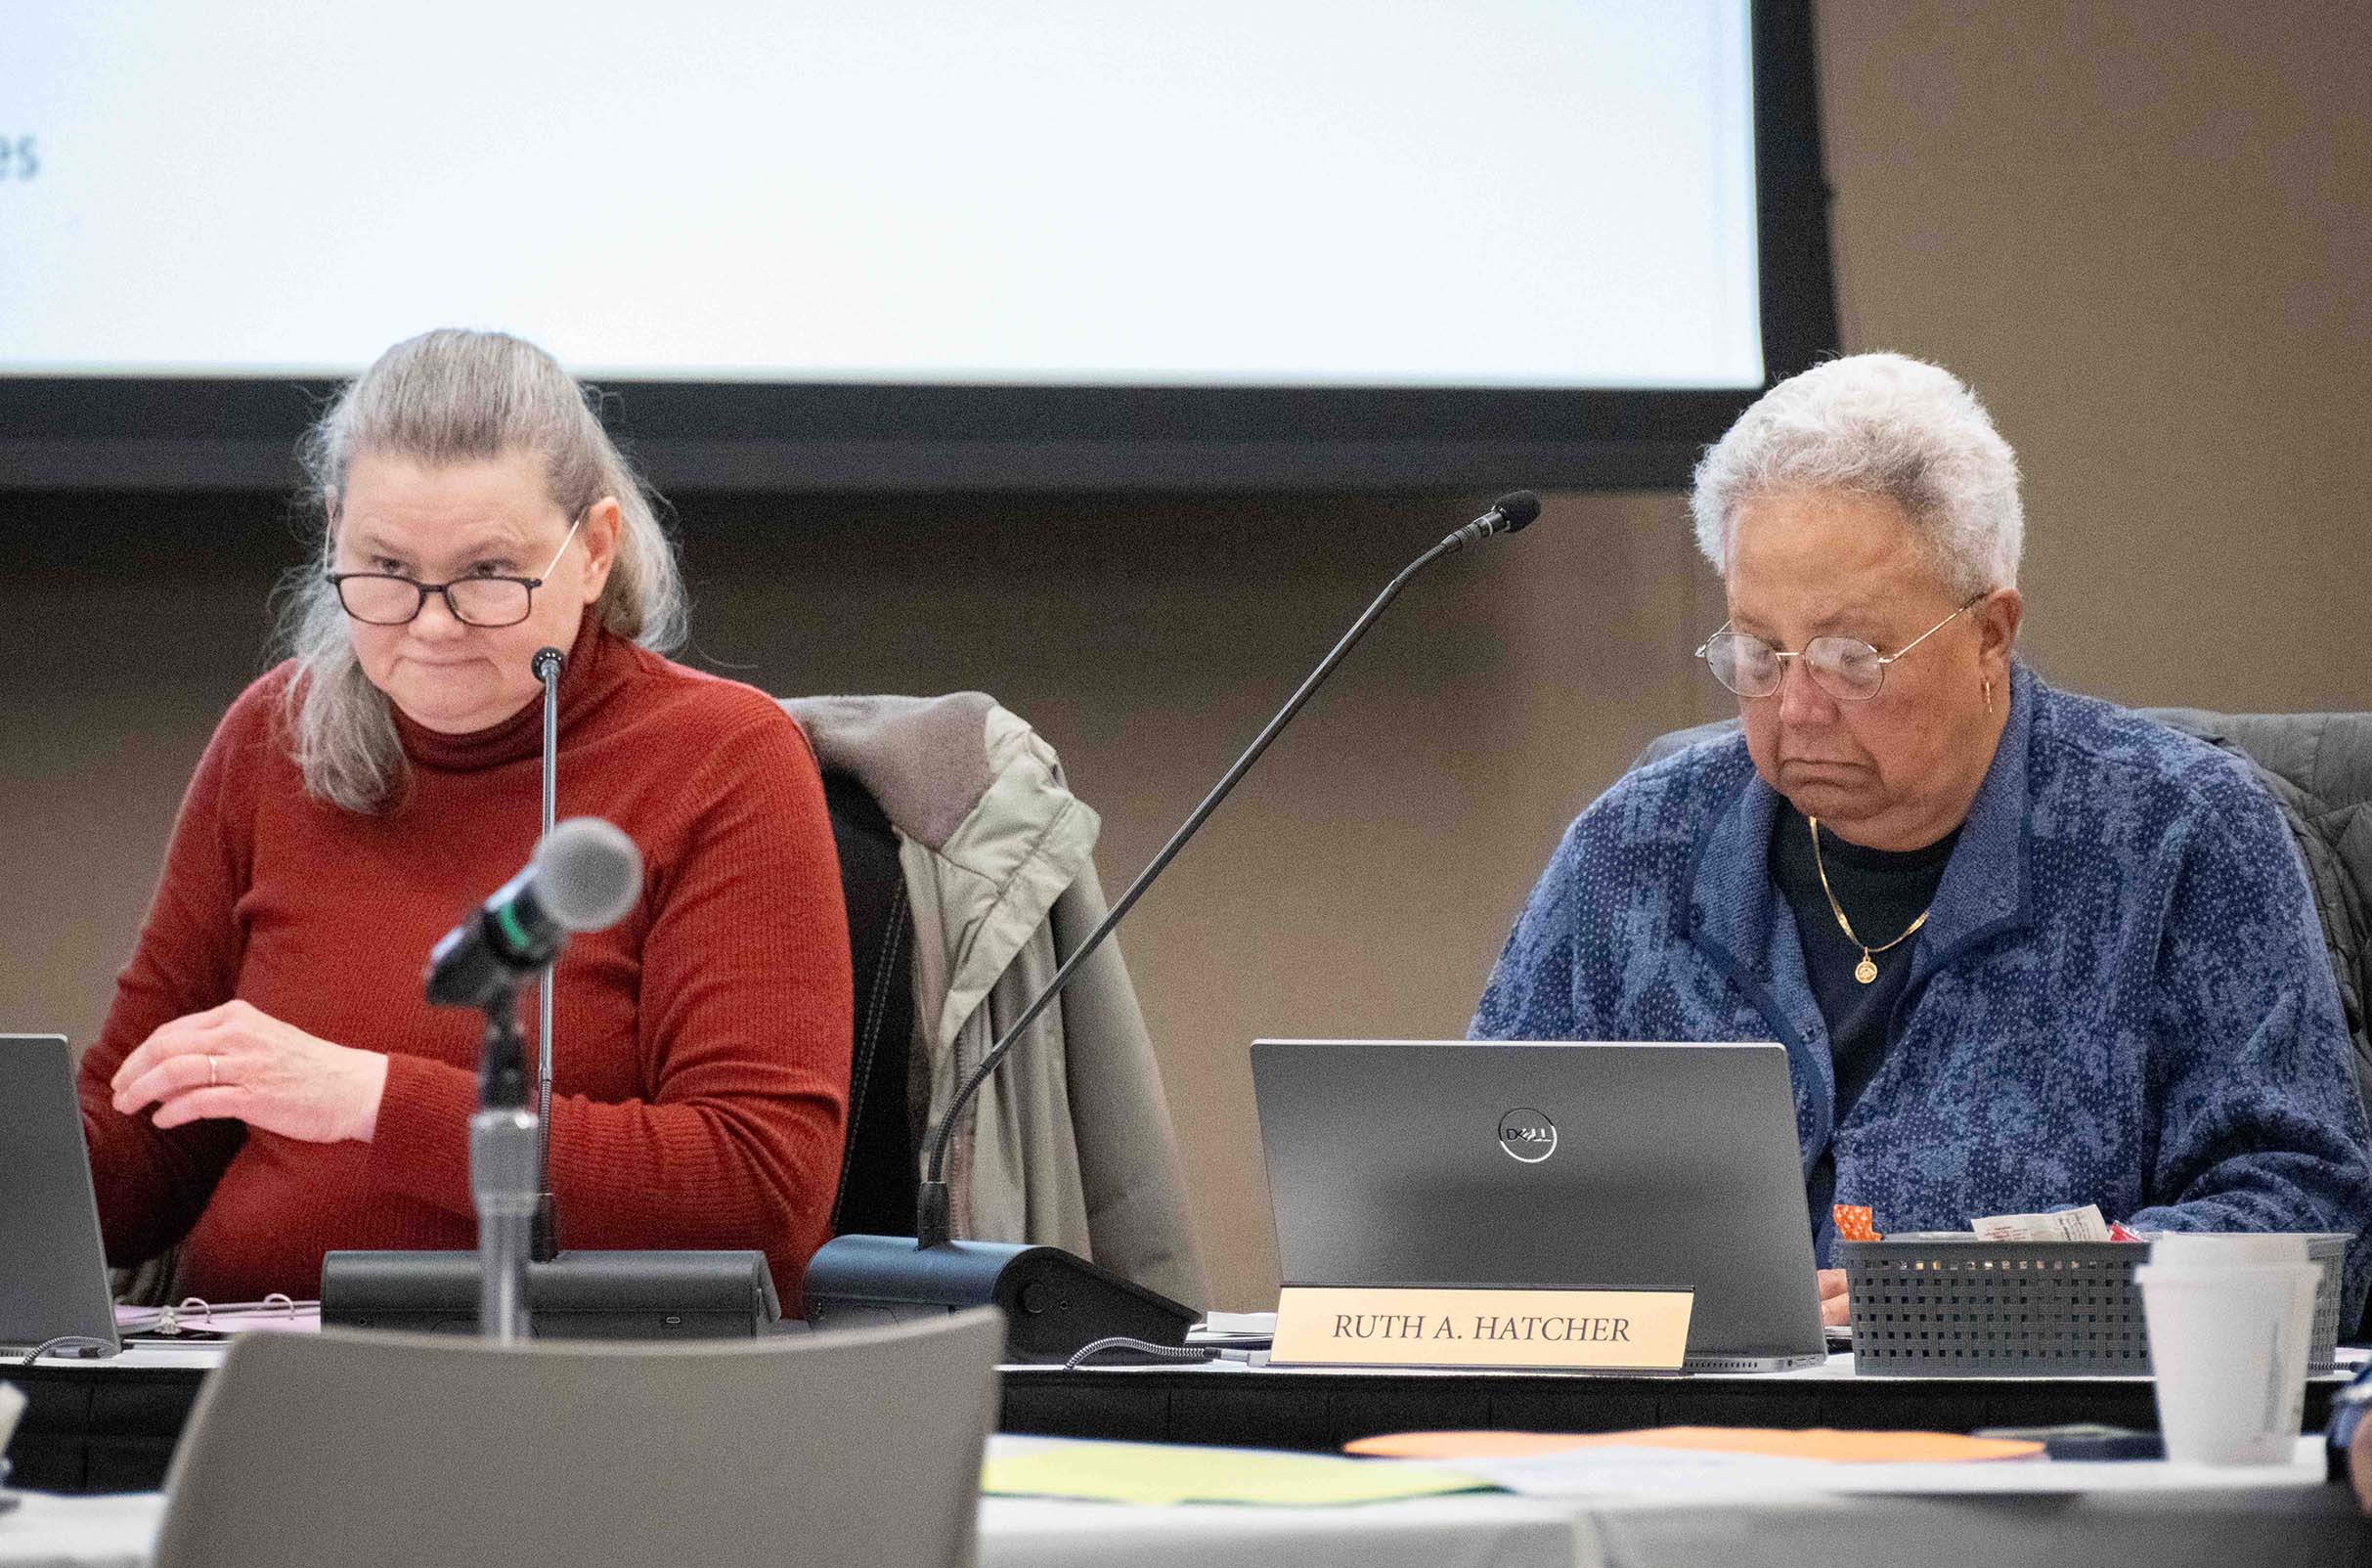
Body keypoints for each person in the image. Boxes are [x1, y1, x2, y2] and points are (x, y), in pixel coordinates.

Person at [1472, 352, 2372, 1326]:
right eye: (1756, 653)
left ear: (1990, 632)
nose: (1797, 706)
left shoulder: (2178, 836)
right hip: (1666, 1450)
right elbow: (1478, 1181)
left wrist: (1959, 1300)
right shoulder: (1632, 847)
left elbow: (2309, 1221)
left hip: (2039, 1452)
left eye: (1849, 656)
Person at [80, 329, 854, 1306]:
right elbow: (135, 1162)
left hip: (580, 1390)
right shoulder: (274, 737)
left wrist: (369, 1101)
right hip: (233, 1367)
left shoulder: (721, 756)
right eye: (385, 567)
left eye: (489, 572)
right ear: (333, 535)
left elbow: (758, 1187)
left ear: (594, 550)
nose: (432, 622)